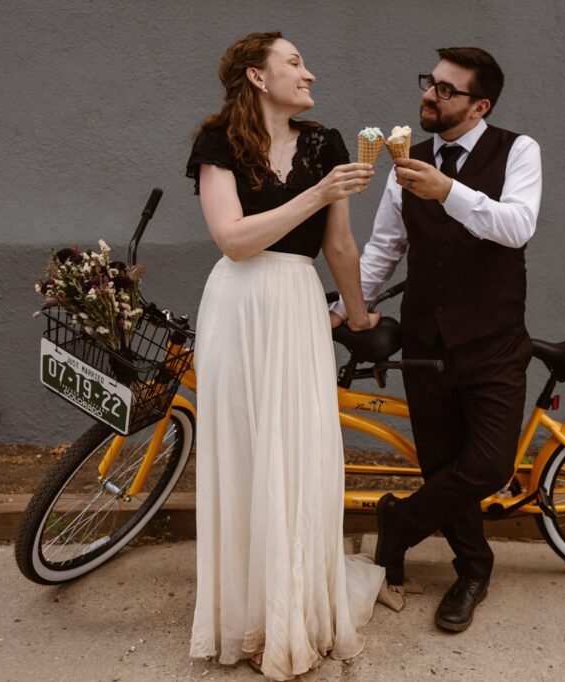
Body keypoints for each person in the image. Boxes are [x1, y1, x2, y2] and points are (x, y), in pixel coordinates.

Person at [186, 32, 385, 679]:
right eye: (295, 63)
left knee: (299, 454)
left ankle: (294, 613)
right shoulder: (217, 143)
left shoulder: (325, 142)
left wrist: (357, 317)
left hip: (299, 307)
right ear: (255, 75)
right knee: (245, 453)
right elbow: (234, 239)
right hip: (237, 309)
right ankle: (246, 617)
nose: (310, 73)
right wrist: (319, 191)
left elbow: (341, 247)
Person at [329, 47, 542, 633]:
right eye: (430, 82)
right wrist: (343, 308)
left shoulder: (518, 150)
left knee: (488, 466)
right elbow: (383, 251)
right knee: (442, 465)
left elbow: (518, 225)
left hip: (495, 343)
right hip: (426, 342)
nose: (429, 94)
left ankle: (398, 523)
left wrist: (448, 190)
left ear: (480, 106)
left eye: (446, 89)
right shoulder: (407, 161)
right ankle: (473, 569)